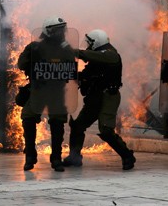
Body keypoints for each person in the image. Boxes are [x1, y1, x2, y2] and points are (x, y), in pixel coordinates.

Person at [62, 29, 136, 170]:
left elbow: (92, 55)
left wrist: (74, 51)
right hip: (94, 98)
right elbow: (87, 74)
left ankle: (127, 156)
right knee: (78, 126)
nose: (88, 46)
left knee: (106, 130)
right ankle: (74, 157)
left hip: (108, 97)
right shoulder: (96, 58)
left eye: (90, 43)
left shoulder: (111, 54)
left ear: (97, 42)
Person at [17, 16, 75, 172]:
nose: (62, 33)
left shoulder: (65, 48)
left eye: (62, 29)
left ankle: (56, 158)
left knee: (57, 124)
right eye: (59, 30)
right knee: (28, 119)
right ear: (49, 31)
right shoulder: (35, 47)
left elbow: (72, 67)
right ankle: (30, 156)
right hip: (38, 90)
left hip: (57, 91)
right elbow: (21, 64)